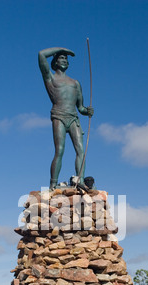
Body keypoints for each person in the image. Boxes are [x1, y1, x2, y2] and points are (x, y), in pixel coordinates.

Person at [38, 47, 94, 189]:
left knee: (80, 150)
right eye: (61, 58)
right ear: (55, 62)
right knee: (60, 150)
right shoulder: (50, 78)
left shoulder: (75, 83)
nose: (64, 60)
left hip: (74, 118)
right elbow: (41, 55)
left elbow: (80, 108)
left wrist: (87, 111)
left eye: (66, 59)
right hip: (59, 116)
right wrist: (62, 49)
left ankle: (80, 180)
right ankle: (53, 183)